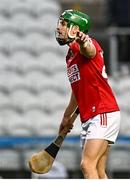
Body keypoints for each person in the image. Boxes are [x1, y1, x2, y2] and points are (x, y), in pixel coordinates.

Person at [55, 9, 120, 179]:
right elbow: (78, 91)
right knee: (98, 171)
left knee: (87, 165)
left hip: (102, 112)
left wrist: (84, 42)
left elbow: (89, 50)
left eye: (63, 24)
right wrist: (67, 116)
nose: (59, 27)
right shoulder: (70, 55)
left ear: (75, 28)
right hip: (91, 116)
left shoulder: (86, 43)